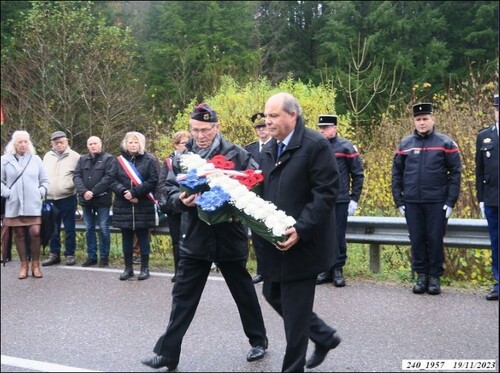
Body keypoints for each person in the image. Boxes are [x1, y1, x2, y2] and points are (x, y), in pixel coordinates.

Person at [141, 103, 268, 371]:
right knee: (183, 297)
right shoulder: (182, 157)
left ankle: (259, 340)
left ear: (217, 127)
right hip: (195, 236)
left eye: (205, 130)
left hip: (228, 235)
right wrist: (181, 201)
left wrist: (233, 200)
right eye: (195, 130)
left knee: (242, 291)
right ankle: (168, 354)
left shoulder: (238, 154)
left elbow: (256, 184)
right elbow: (167, 192)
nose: (199, 135)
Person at [258, 93, 341, 372]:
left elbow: (326, 193)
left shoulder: (315, 145)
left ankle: (292, 368)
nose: (267, 121)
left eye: (274, 116)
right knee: (272, 293)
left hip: (304, 242)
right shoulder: (268, 148)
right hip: (276, 241)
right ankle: (323, 335)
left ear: (292, 115)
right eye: (266, 116)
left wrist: (302, 228)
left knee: (295, 311)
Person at [392, 103, 462, 295]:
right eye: (418, 119)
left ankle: (434, 277)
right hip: (412, 202)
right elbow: (397, 174)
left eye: (425, 119)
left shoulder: (446, 143)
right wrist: (399, 201)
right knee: (417, 240)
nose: (421, 123)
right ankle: (421, 275)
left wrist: (450, 201)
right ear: (414, 121)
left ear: (433, 120)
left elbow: (455, 173)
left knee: (434, 239)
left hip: (437, 202)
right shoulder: (405, 144)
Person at [316, 114, 364, 287]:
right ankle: (324, 269)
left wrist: (354, 199)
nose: (322, 131)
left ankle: (337, 269)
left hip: (340, 199)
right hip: (320, 199)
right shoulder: (316, 146)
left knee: (337, 235)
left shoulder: (346, 146)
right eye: (320, 128)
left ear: (335, 128)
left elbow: (357, 174)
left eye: (326, 128)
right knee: (321, 235)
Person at [110, 131, 159, 281]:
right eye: (130, 142)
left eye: (135, 142)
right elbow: (112, 180)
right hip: (123, 204)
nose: (133, 145)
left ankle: (144, 268)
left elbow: (153, 180)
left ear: (141, 144)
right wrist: (124, 192)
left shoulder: (149, 160)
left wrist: (135, 192)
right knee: (126, 237)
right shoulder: (118, 161)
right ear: (126, 144)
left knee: (143, 236)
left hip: (143, 204)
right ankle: (128, 268)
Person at [1, 130, 49, 279]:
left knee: (35, 232)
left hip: (33, 204)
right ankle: (24, 266)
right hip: (14, 204)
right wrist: (7, 193)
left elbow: (45, 180)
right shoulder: (4, 160)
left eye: (25, 142)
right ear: (14, 144)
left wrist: (39, 192)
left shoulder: (36, 159)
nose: (23, 144)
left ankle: (35, 264)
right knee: (20, 233)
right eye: (20, 142)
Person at [73, 136, 115, 268]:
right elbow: (76, 176)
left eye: (95, 143)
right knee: (89, 228)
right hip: (86, 201)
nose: (93, 146)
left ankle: (104, 257)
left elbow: (109, 178)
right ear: (87, 146)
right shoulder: (82, 159)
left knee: (103, 228)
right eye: (90, 144)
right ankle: (91, 256)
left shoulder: (109, 159)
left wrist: (93, 192)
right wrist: (84, 191)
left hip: (102, 200)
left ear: (100, 144)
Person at [41, 131, 80, 267]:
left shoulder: (75, 156)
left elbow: (79, 176)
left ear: (67, 141)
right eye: (56, 142)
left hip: (67, 196)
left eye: (61, 141)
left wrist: (71, 186)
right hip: (50, 198)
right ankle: (54, 254)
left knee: (70, 228)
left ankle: (70, 254)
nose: (59, 144)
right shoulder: (47, 156)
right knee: (52, 228)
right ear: (52, 143)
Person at [158, 130, 191, 282]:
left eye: (188, 143)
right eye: (183, 143)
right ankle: (178, 271)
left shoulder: (195, 159)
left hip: (190, 206)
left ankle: (189, 272)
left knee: (190, 241)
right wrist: (177, 196)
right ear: (176, 145)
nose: (186, 146)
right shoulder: (168, 162)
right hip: (174, 206)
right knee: (177, 241)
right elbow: (162, 183)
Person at [475, 94, 499, 301]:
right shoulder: (484, 136)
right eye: (497, 109)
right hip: (492, 199)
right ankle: (498, 284)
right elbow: (480, 171)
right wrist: (481, 199)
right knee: (496, 242)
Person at [244, 112, 271, 284]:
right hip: (255, 199)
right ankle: (262, 270)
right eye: (258, 127)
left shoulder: (277, 146)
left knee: (274, 234)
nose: (261, 130)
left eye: (263, 126)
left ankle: (275, 270)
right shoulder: (249, 149)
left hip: (273, 196)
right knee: (258, 237)